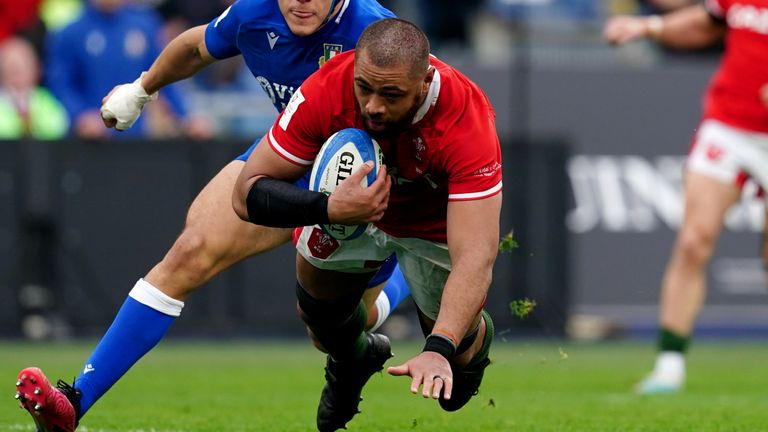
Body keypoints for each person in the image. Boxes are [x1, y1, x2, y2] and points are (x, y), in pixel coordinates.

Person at [13, 1, 412, 431]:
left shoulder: (377, 34)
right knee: (189, 251)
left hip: (366, 184)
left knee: (333, 330)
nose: (301, 1)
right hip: (286, 158)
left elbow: (432, 104)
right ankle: (73, 404)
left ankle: (406, 279)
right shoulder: (255, 11)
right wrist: (142, 89)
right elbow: (196, 47)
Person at [232, 18, 501, 431]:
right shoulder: (328, 86)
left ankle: (471, 343)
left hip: (430, 227)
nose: (373, 105)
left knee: (456, 357)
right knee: (322, 324)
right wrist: (327, 207)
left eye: (391, 94)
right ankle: (354, 359)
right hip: (346, 211)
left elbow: (477, 254)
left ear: (426, 80)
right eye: (365, 88)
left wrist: (439, 346)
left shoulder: (466, 117)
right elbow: (245, 193)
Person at [604, 0, 768, 394]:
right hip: (729, 127)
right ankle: (669, 367)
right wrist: (650, 28)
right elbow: (707, 21)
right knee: (694, 240)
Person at [45, 0, 212, 139]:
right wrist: (80, 115)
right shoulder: (69, 32)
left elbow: (164, 73)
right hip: (87, 140)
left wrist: (186, 116)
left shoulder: (145, 25)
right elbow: (60, 83)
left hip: (135, 137)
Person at [0, 36, 68, 139]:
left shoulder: (46, 100)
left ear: (36, 69)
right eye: (10, 69)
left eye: (20, 68)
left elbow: (58, 127)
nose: (16, 75)